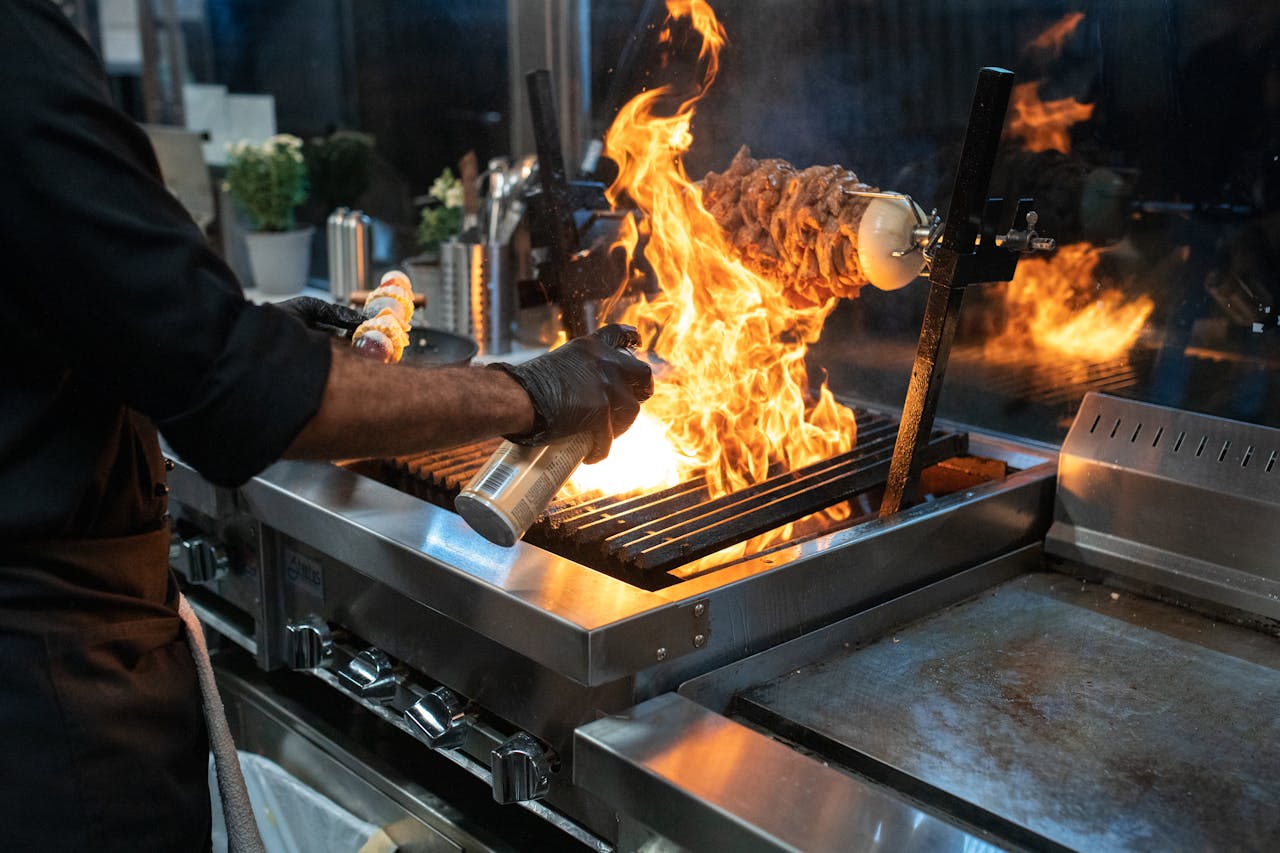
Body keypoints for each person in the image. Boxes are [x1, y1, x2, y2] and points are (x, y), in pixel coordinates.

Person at [0, 1, 652, 850]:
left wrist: (245, 333)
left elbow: (91, 317)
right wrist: (529, 392)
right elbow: (229, 396)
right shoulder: (16, 54)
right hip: (46, 701)